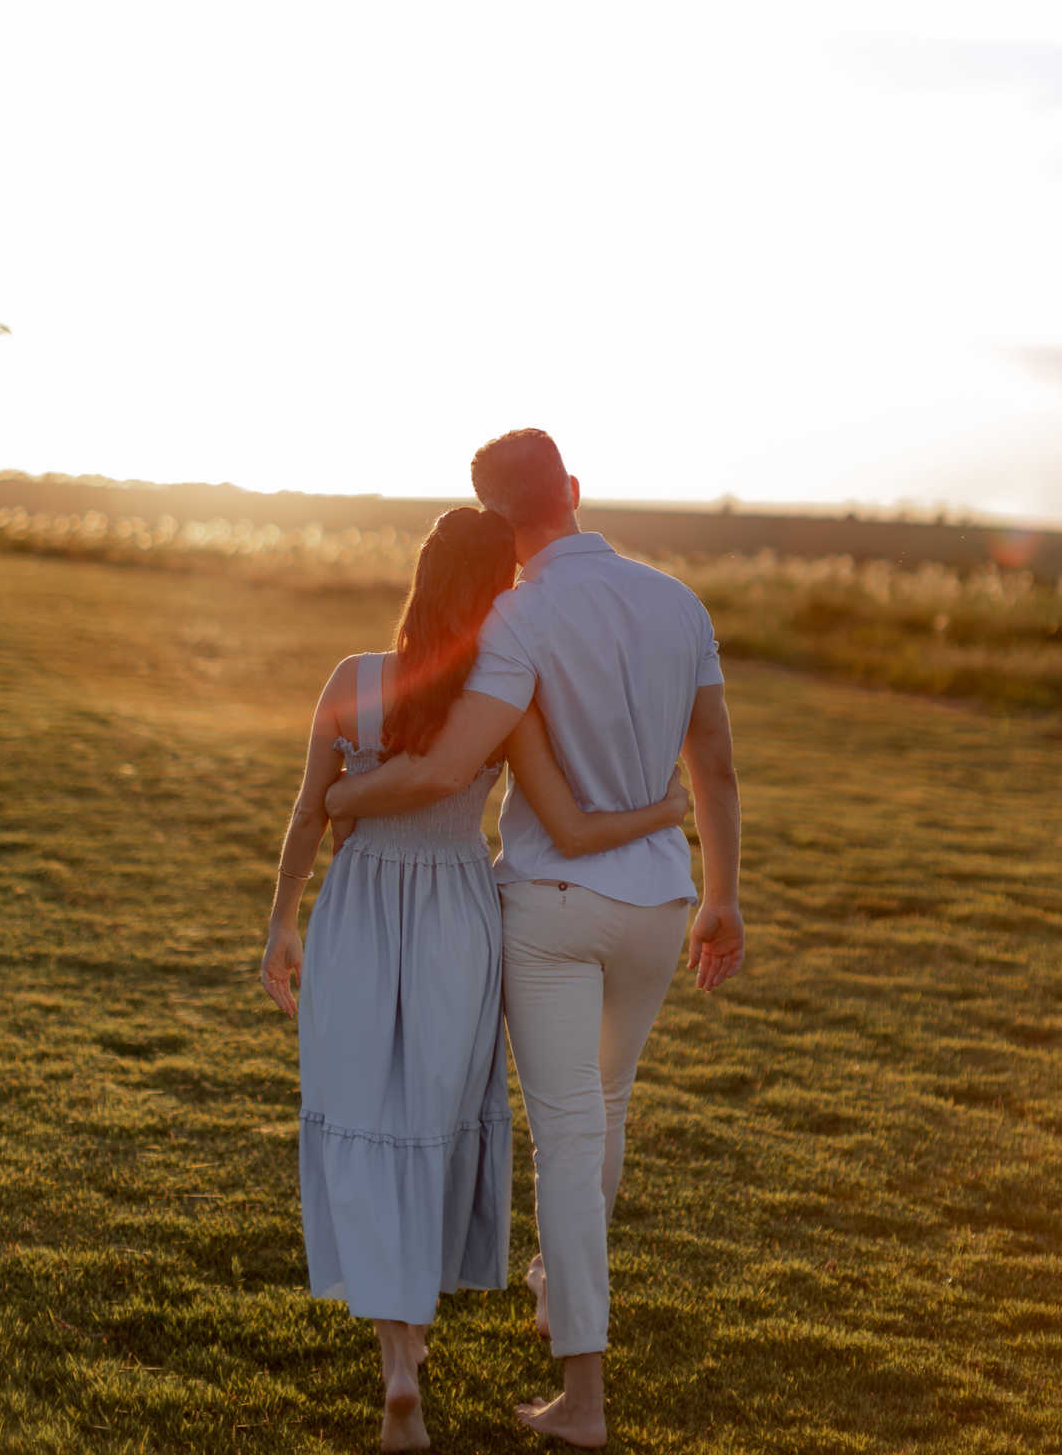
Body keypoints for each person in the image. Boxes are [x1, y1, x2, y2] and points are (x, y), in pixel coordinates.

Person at [325, 431, 745, 1449]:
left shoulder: (518, 613)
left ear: (499, 521)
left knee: (565, 1134)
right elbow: (716, 765)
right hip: (659, 902)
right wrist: (724, 898)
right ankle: (558, 1284)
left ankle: (584, 1396)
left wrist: (338, 797)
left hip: (554, 905)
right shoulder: (678, 601)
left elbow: (444, 769)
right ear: (574, 490)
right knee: (604, 1109)